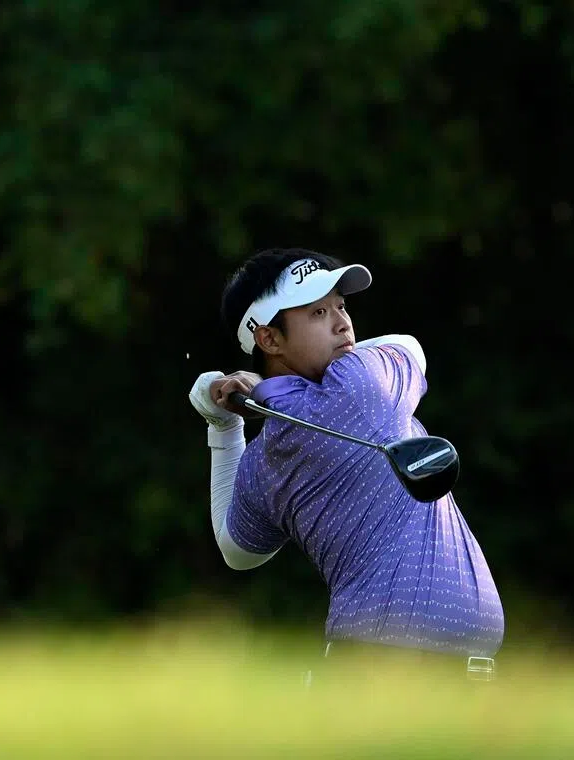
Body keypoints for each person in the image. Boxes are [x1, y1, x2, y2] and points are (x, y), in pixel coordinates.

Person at [187, 248, 505, 680]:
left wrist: (222, 425)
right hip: (390, 672)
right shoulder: (360, 383)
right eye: (318, 312)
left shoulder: (264, 459)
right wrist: (269, 391)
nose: (343, 323)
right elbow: (410, 347)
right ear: (270, 339)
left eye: (341, 306)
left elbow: (236, 550)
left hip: (395, 669)